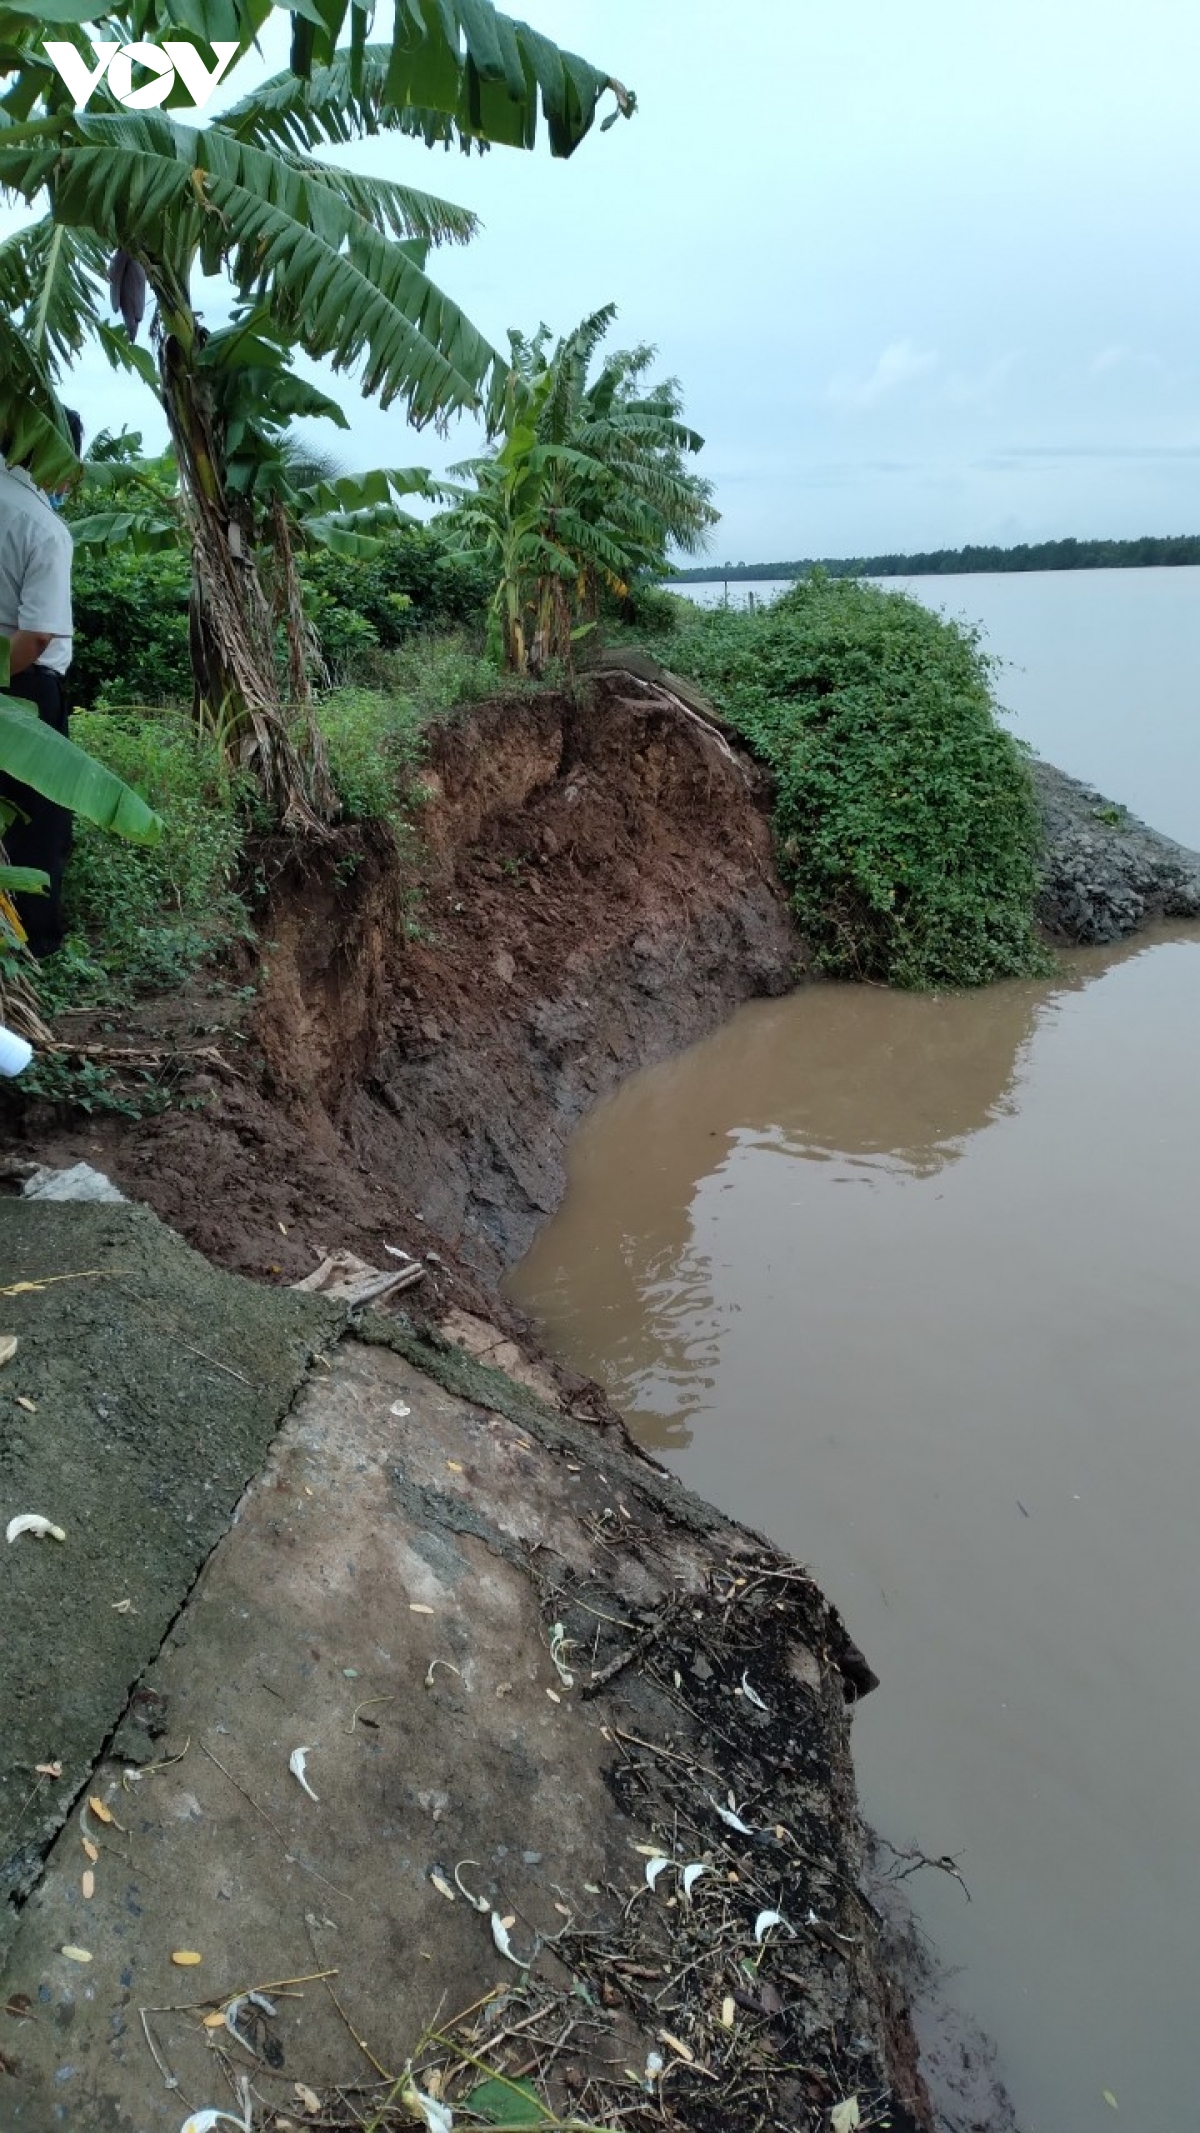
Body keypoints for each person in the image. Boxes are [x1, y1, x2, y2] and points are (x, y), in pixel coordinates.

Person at [0, 408, 82, 956]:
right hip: (23, 686)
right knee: (35, 825)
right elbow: (34, 639)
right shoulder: (41, 527)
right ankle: (32, 946)